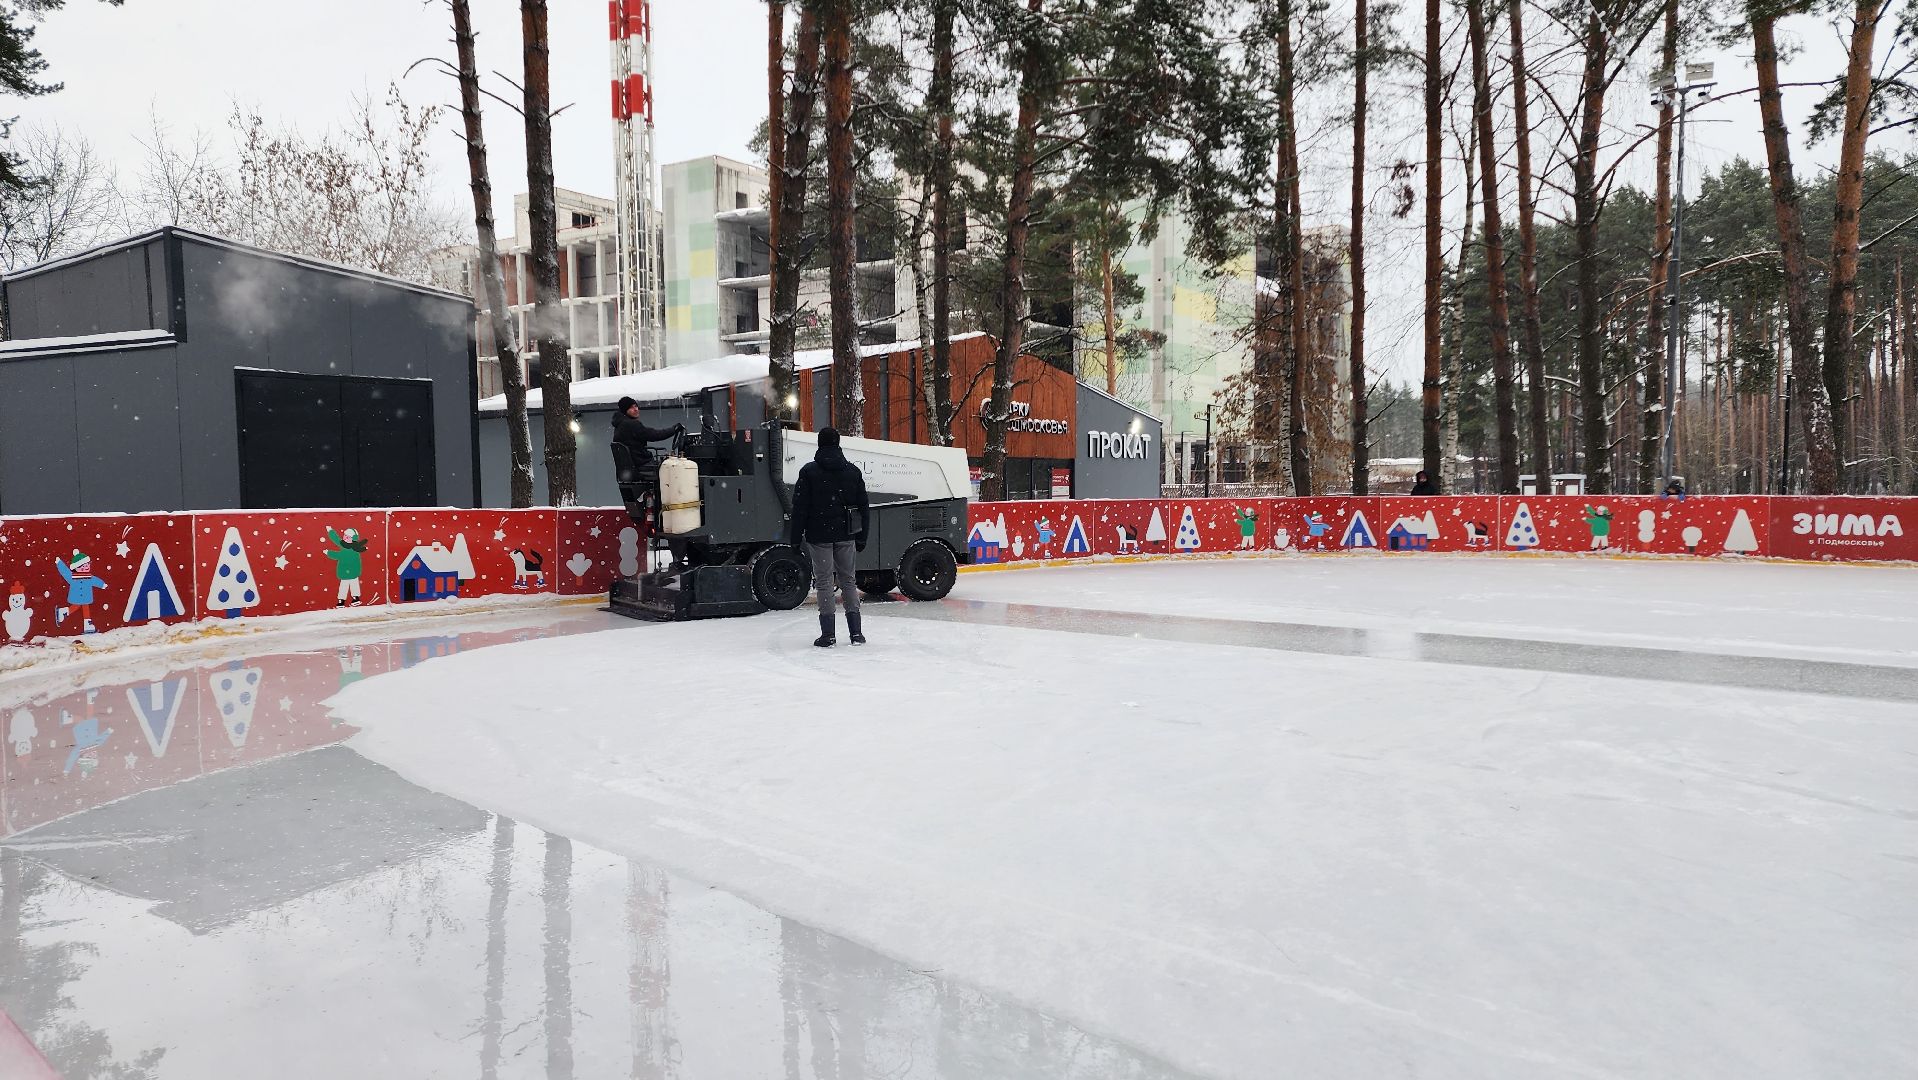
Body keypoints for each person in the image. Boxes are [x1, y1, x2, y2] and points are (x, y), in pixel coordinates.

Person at [788, 427, 870, 647]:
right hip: (846, 534)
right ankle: (856, 634)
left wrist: (795, 538)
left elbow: (800, 509)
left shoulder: (808, 472)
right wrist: (862, 536)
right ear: (838, 443)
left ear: (819, 444)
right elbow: (863, 506)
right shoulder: (852, 472)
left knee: (824, 582)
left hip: (818, 536)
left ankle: (828, 635)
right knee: (848, 581)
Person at [611, 396, 681, 462]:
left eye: (636, 406)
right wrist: (673, 429)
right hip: (640, 462)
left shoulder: (620, 424)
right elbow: (654, 435)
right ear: (625, 410)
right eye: (631, 408)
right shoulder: (630, 424)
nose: (635, 409)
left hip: (633, 463)